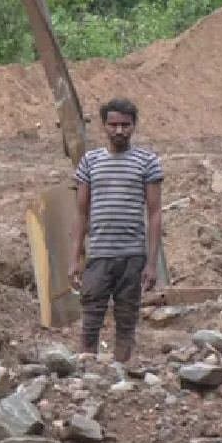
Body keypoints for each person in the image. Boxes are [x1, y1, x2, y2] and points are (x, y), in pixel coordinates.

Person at [69, 98, 163, 363]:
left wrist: (152, 264)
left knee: (126, 318)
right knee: (91, 317)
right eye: (114, 125)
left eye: (125, 125)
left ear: (134, 126)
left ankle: (121, 373)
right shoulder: (90, 162)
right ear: (104, 126)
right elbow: (80, 213)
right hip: (99, 256)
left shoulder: (148, 162)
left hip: (132, 257)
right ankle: (87, 375)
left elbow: (155, 213)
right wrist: (74, 259)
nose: (119, 131)